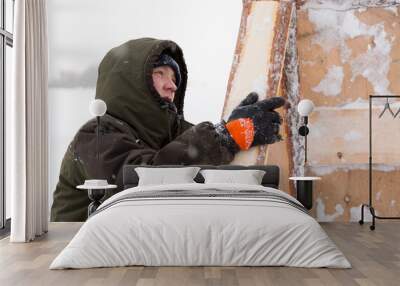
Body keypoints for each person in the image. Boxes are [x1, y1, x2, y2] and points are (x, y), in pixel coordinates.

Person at [50, 38, 287, 222]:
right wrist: (226, 138)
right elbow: (143, 183)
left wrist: (229, 131)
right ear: (130, 82)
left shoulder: (167, 130)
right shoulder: (96, 136)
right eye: (159, 73)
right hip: (78, 243)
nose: (172, 84)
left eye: (175, 77)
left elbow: (199, 157)